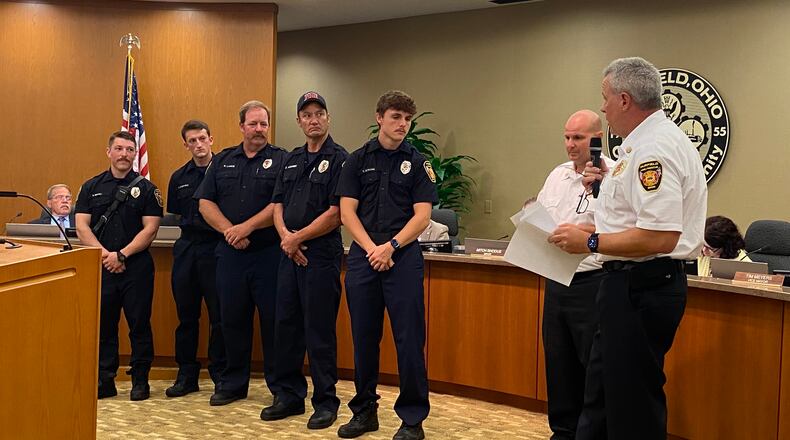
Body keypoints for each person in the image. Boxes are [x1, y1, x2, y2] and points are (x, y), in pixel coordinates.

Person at [548, 57, 707, 439]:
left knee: (632, 406)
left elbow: (660, 236)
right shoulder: (638, 147)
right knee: (602, 398)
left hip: (642, 285)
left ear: (623, 99)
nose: (602, 108)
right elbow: (632, 219)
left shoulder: (654, 150)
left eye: (604, 98)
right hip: (625, 284)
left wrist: (588, 241)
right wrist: (598, 217)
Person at [335, 90, 437, 440]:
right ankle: (364, 412)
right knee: (363, 338)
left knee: (409, 339)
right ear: (379, 117)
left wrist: (391, 247)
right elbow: (347, 211)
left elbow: (423, 216)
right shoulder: (356, 159)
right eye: (396, 117)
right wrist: (371, 249)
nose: (403, 125)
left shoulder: (418, 162)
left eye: (407, 119)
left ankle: (412, 420)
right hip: (365, 256)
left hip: (403, 256)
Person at [260, 92, 348, 429]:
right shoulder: (292, 158)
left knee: (319, 331)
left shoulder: (340, 159)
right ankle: (289, 396)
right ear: (299, 121)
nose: (313, 120)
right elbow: (277, 204)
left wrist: (298, 238)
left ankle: (325, 402)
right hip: (288, 253)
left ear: (328, 118)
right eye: (307, 115)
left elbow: (336, 212)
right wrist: (286, 238)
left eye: (319, 114)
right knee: (286, 327)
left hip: (320, 256)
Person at [194, 100, 286, 406]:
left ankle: (280, 388)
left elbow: (279, 205)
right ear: (241, 126)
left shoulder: (283, 160)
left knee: (274, 323)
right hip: (230, 255)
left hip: (269, 254)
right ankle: (232, 384)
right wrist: (229, 232)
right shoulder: (222, 161)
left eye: (263, 124)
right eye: (253, 124)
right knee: (230, 320)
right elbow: (205, 203)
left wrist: (245, 228)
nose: (258, 129)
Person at [536, 109, 614, 440]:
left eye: (578, 138)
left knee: (592, 369)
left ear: (596, 138)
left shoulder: (614, 176)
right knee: (558, 362)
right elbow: (540, 216)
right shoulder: (557, 176)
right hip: (556, 281)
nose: (570, 145)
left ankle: (591, 434)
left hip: (593, 283)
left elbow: (616, 228)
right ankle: (563, 432)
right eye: (567, 137)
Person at [75, 130, 163, 401]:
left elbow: (151, 228)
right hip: (102, 266)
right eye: (119, 149)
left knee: (139, 324)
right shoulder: (91, 186)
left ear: (135, 153)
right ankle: (105, 380)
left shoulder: (147, 189)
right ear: (109, 152)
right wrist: (105, 255)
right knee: (105, 325)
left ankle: (140, 380)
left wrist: (121, 255)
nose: (124, 154)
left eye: (129, 149)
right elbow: (81, 226)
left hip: (136, 268)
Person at [165, 120, 226, 397]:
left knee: (219, 316)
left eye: (202, 138)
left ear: (211, 139)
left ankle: (220, 375)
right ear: (186, 144)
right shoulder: (179, 177)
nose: (199, 145)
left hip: (216, 248)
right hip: (188, 247)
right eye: (192, 141)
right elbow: (176, 213)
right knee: (186, 316)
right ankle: (186, 375)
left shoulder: (226, 171)